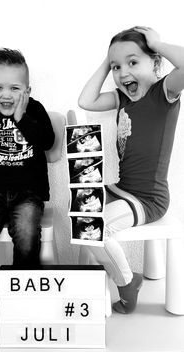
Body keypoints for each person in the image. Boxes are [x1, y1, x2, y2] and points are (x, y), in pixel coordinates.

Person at [78, 26, 184, 313]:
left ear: (157, 63)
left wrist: (157, 43)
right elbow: (85, 101)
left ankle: (127, 282)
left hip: (148, 198)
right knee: (79, 209)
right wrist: (106, 60)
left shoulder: (165, 93)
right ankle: (87, 281)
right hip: (123, 188)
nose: (123, 73)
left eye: (133, 62)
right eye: (117, 67)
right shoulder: (122, 98)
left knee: (92, 228)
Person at [0, 48, 55, 315]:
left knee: (27, 235)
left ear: (28, 90)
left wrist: (21, 118)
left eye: (15, 88)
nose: (6, 95)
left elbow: (47, 141)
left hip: (28, 193)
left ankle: (21, 288)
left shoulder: (35, 111)